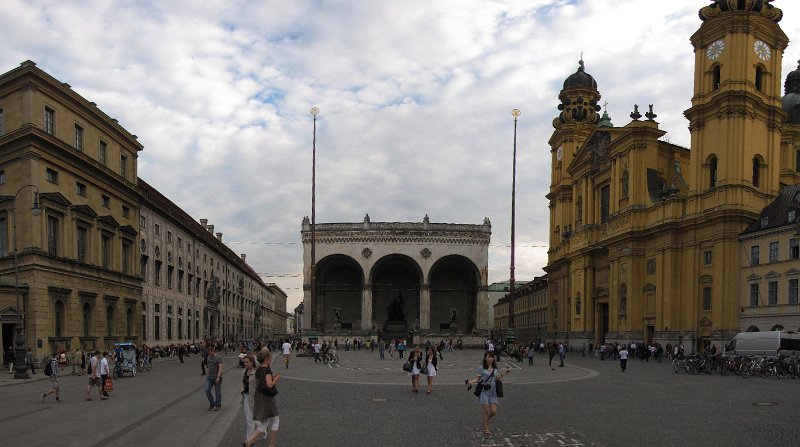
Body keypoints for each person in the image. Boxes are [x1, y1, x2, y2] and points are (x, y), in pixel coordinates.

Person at [465, 351, 508, 436]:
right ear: (485, 358)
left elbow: (497, 378)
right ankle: (485, 427)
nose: (491, 359)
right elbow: (477, 379)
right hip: (484, 391)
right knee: (486, 410)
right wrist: (469, 382)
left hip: (493, 391)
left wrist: (504, 373)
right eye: (489, 357)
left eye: (492, 357)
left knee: (494, 411)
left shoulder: (495, 368)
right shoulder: (481, 368)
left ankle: (487, 420)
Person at [245, 350, 280, 447]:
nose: (271, 359)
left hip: (259, 397)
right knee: (276, 421)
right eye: (270, 357)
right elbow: (269, 385)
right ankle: (271, 445)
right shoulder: (267, 370)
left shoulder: (258, 370)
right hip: (267, 398)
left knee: (265, 423)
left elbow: (261, 383)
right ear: (266, 358)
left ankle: (248, 441)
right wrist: (276, 378)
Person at [241, 353, 257, 441]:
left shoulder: (256, 372)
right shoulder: (244, 371)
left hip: (254, 398)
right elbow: (243, 384)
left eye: (247, 362)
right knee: (250, 418)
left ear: (252, 362)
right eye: (244, 362)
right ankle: (262, 427)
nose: (245, 364)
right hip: (245, 397)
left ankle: (249, 440)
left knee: (249, 420)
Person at [205, 345, 224, 410]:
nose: (210, 355)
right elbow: (208, 366)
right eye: (209, 353)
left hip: (217, 377)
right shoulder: (208, 358)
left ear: (213, 351)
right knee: (207, 390)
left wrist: (218, 376)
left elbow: (220, 367)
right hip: (209, 377)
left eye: (211, 353)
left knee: (217, 392)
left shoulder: (218, 357)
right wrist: (207, 372)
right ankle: (212, 403)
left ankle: (218, 405)